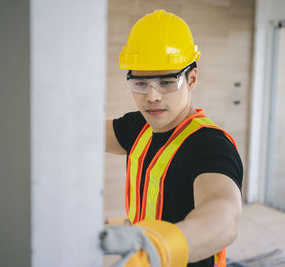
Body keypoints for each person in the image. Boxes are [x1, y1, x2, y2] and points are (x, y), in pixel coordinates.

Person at [100, 9, 243, 267]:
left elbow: (225, 215)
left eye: (167, 82)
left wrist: (159, 247)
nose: (152, 96)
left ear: (192, 79)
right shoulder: (138, 126)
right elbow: (88, 135)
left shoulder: (209, 145)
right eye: (140, 84)